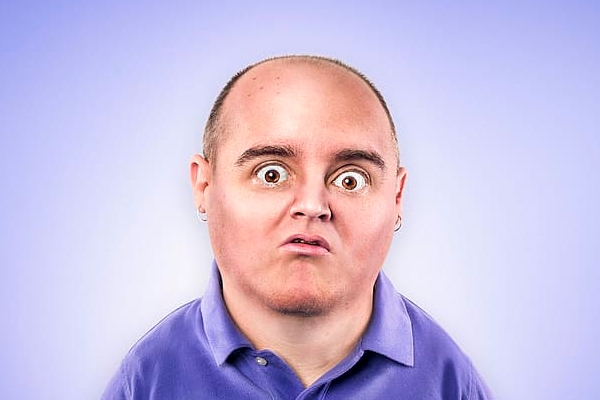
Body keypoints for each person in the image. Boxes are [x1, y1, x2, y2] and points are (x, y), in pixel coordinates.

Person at [101, 55, 492, 399]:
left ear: (397, 197)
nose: (312, 206)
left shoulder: (449, 380)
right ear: (204, 186)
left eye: (350, 179)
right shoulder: (148, 379)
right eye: (271, 174)